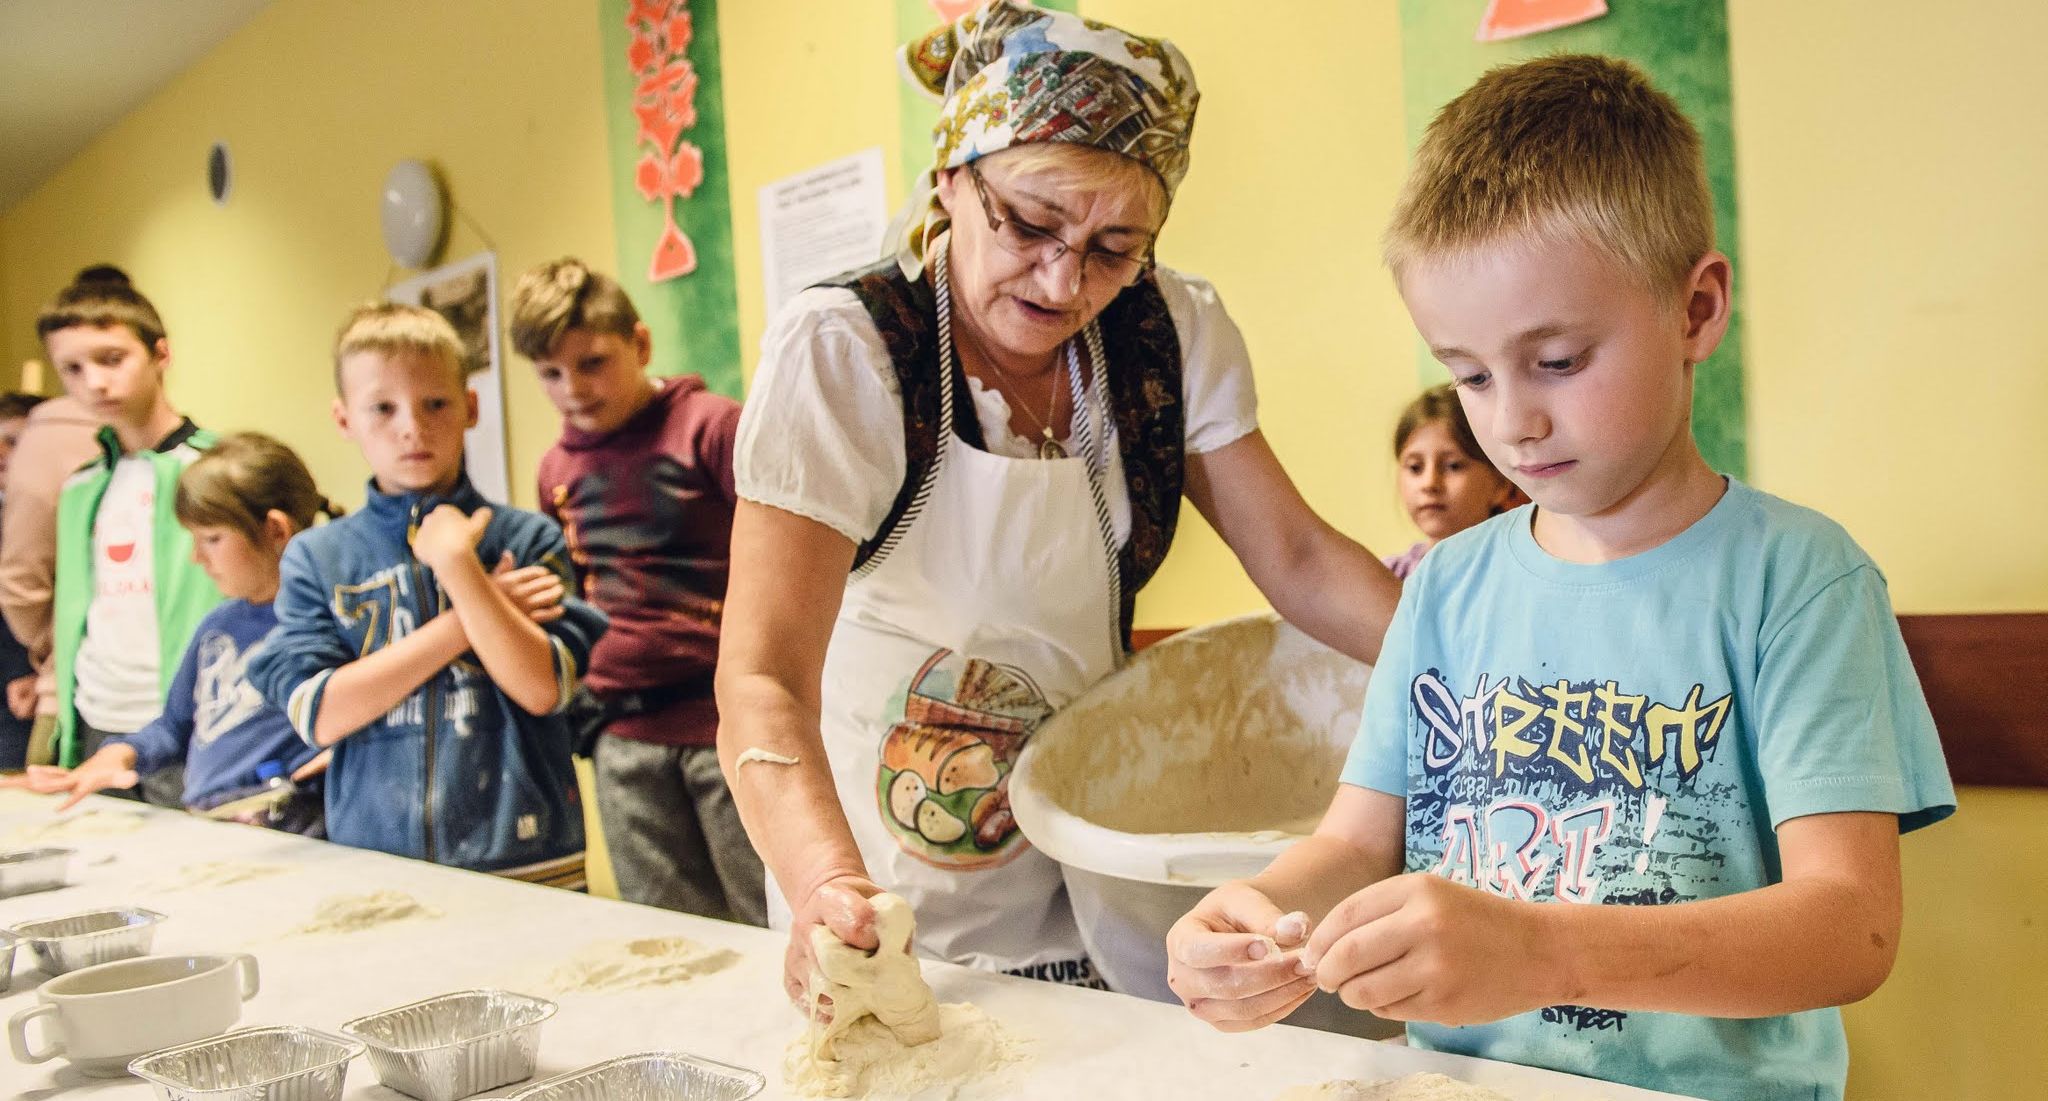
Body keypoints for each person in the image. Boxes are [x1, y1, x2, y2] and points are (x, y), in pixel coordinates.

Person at [1164, 55, 1955, 1101]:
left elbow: (1846, 929)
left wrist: (1547, 953)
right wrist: (1253, 913)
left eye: (1557, 361)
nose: (1510, 422)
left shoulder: (1797, 581)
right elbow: (1356, 842)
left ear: (1694, 310)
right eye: (1470, 374)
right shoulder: (1444, 588)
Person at [717, 0, 1400, 1007]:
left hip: (1086, 860)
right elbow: (763, 677)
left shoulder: (1162, 336)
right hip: (886, 888)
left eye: (1115, 246)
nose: (1064, 278)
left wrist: (1475, 671)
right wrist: (824, 883)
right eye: (1031, 224)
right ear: (952, 178)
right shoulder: (853, 354)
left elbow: (1295, 560)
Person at [249, 303, 606, 877]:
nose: (411, 427)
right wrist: (476, 612)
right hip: (378, 860)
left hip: (529, 856)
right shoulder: (317, 557)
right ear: (344, 420)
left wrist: (457, 565)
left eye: (435, 403)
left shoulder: (526, 537)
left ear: (470, 407)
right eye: (382, 409)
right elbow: (321, 713)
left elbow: (542, 689)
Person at [511, 257, 764, 922]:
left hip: (726, 726)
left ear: (641, 343)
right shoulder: (555, 471)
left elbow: (782, 564)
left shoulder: (712, 426)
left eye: (592, 362)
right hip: (622, 736)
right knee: (666, 929)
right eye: (550, 373)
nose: (573, 388)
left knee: (767, 914)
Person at [8, 434, 337, 833]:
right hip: (209, 827)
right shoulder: (217, 625)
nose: (197, 557)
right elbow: (172, 726)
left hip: (294, 838)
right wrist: (121, 754)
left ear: (275, 530)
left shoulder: (329, 625)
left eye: (211, 539)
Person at [38, 266, 223, 804]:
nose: (94, 382)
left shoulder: (216, 468)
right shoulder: (81, 488)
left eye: (111, 359)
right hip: (97, 721)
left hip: (187, 722)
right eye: (71, 369)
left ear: (160, 354)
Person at [0, 385, 101, 767]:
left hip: (45, 678)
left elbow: (23, 589)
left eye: (14, 441)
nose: (5, 454)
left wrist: (37, 661)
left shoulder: (61, 490)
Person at [1382, 384, 1522, 580]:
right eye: (1415, 468)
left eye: (1453, 466)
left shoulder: (1512, 576)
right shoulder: (1388, 576)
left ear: (1501, 484)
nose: (1429, 483)